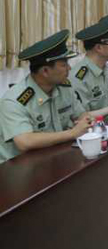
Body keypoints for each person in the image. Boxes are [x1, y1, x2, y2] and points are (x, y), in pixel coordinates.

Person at [0, 30, 94, 163]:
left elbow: (81, 114)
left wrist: (86, 120)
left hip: (54, 157)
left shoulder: (64, 88)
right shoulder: (14, 101)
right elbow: (24, 141)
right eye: (64, 65)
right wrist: (72, 133)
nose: (69, 68)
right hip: (18, 167)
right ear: (45, 71)